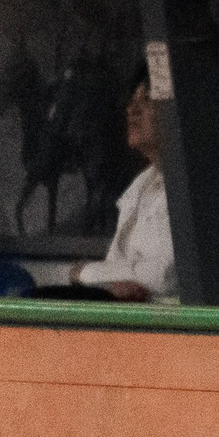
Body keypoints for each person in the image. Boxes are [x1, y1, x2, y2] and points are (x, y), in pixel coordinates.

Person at [64, 70, 173, 301]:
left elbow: (165, 275)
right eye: (132, 101)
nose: (131, 110)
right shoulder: (143, 184)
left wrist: (86, 272)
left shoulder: (204, 187)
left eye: (147, 100)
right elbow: (116, 267)